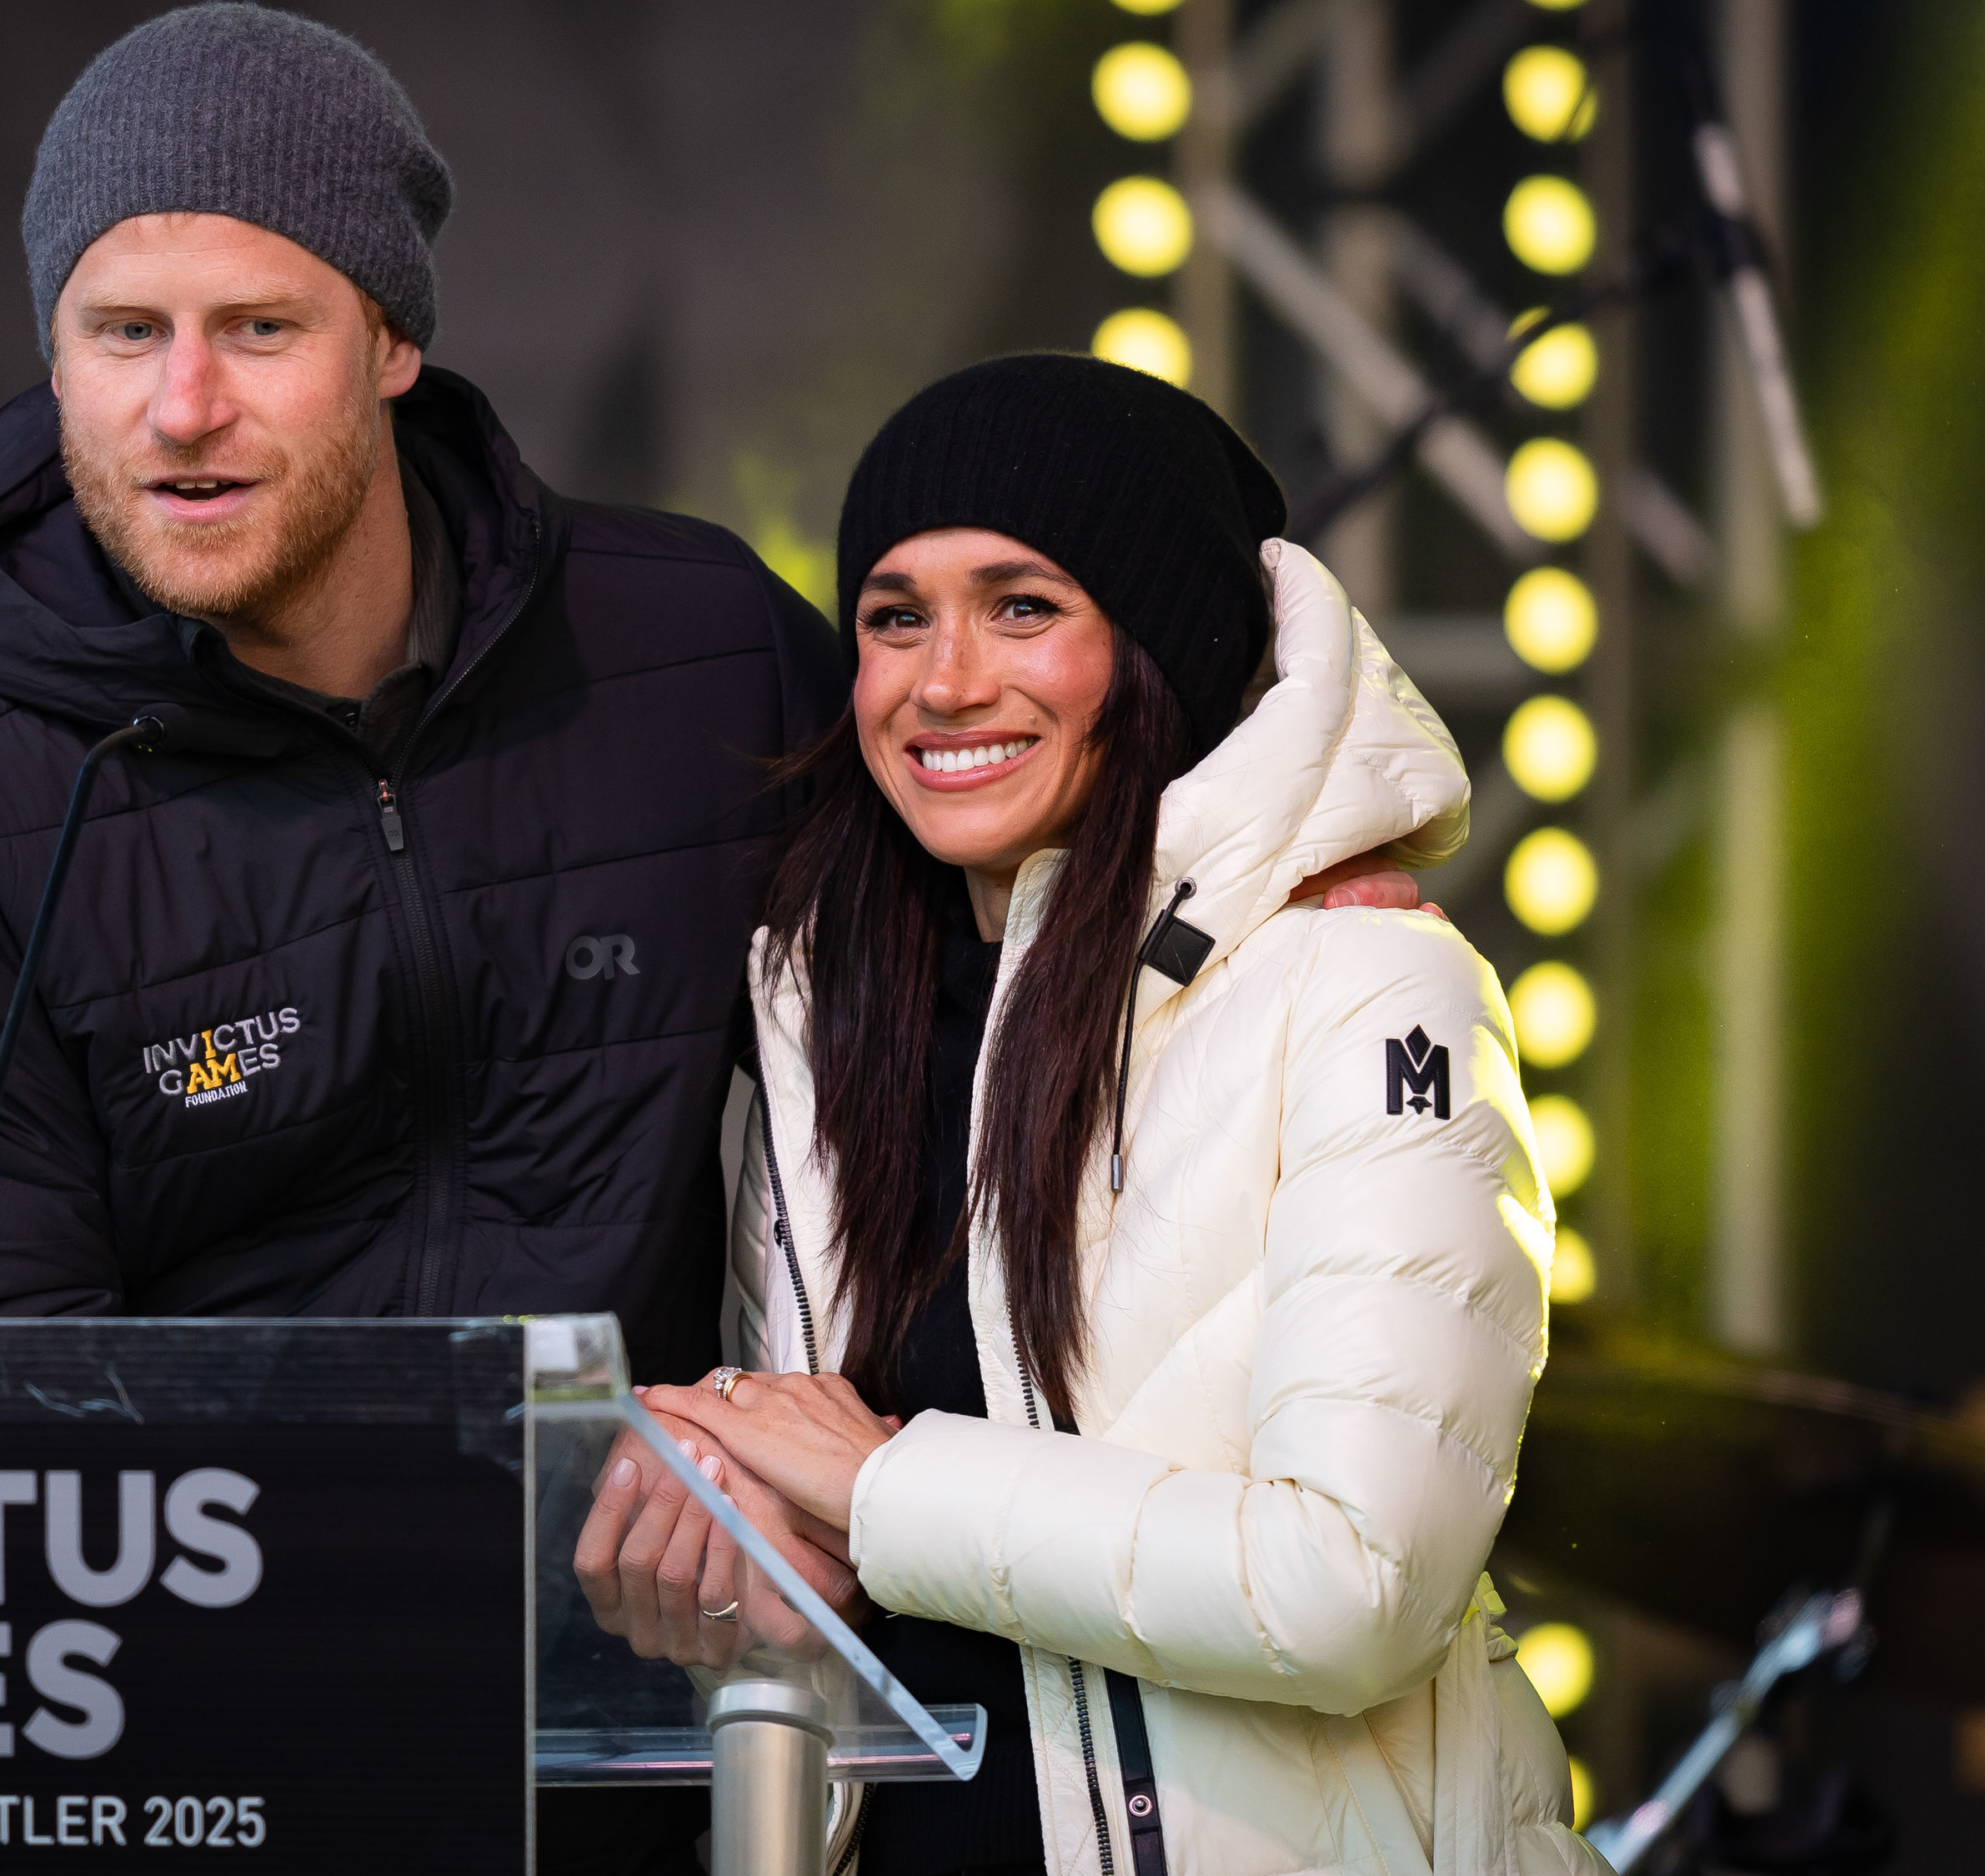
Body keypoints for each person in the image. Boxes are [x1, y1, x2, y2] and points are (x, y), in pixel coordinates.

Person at [0, 3, 1426, 1876]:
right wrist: (608, 1519)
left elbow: (978, 894)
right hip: (216, 1774)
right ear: (51, 351)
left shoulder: (687, 645)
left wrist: (1268, 879)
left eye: (259, 329)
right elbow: (9, 1438)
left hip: (666, 1768)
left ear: (392, 337)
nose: (182, 407)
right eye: (120, 332)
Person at [586, 356, 1597, 1874]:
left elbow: (1353, 1586)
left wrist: (873, 1486)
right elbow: (843, 1575)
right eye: (894, 616)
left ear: (1159, 644)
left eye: (1023, 605)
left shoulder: (1371, 989)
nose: (944, 680)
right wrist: (734, 1565)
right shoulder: (816, 1022)